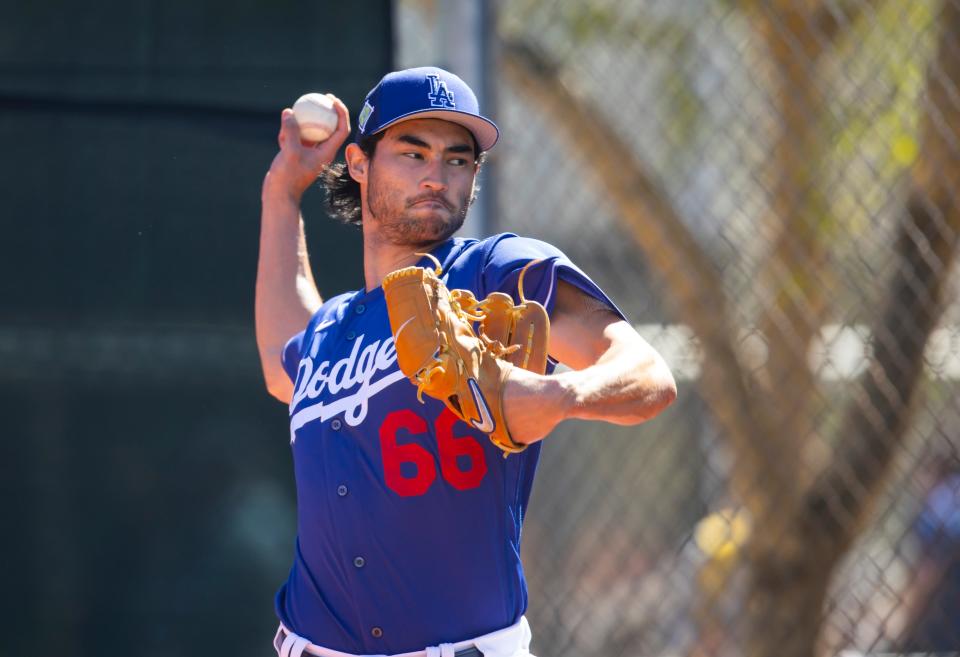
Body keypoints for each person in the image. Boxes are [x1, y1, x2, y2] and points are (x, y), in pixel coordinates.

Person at [256, 66, 677, 657]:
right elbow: (281, 366)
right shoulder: (332, 328)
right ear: (358, 162)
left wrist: (560, 398)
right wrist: (282, 193)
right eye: (412, 152)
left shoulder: (494, 273)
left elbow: (650, 377)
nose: (437, 175)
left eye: (458, 160)